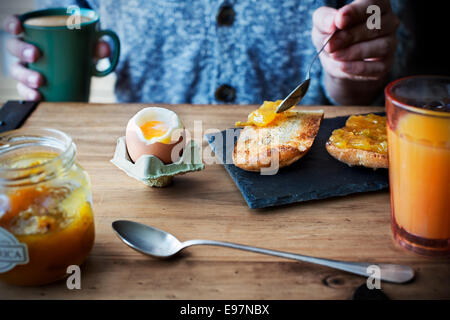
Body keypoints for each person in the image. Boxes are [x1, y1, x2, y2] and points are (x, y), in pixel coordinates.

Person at [3, 0, 410, 105]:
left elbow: (388, 35)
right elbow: (75, 17)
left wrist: (352, 72)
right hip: (148, 174)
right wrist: (41, 61)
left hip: (314, 174)